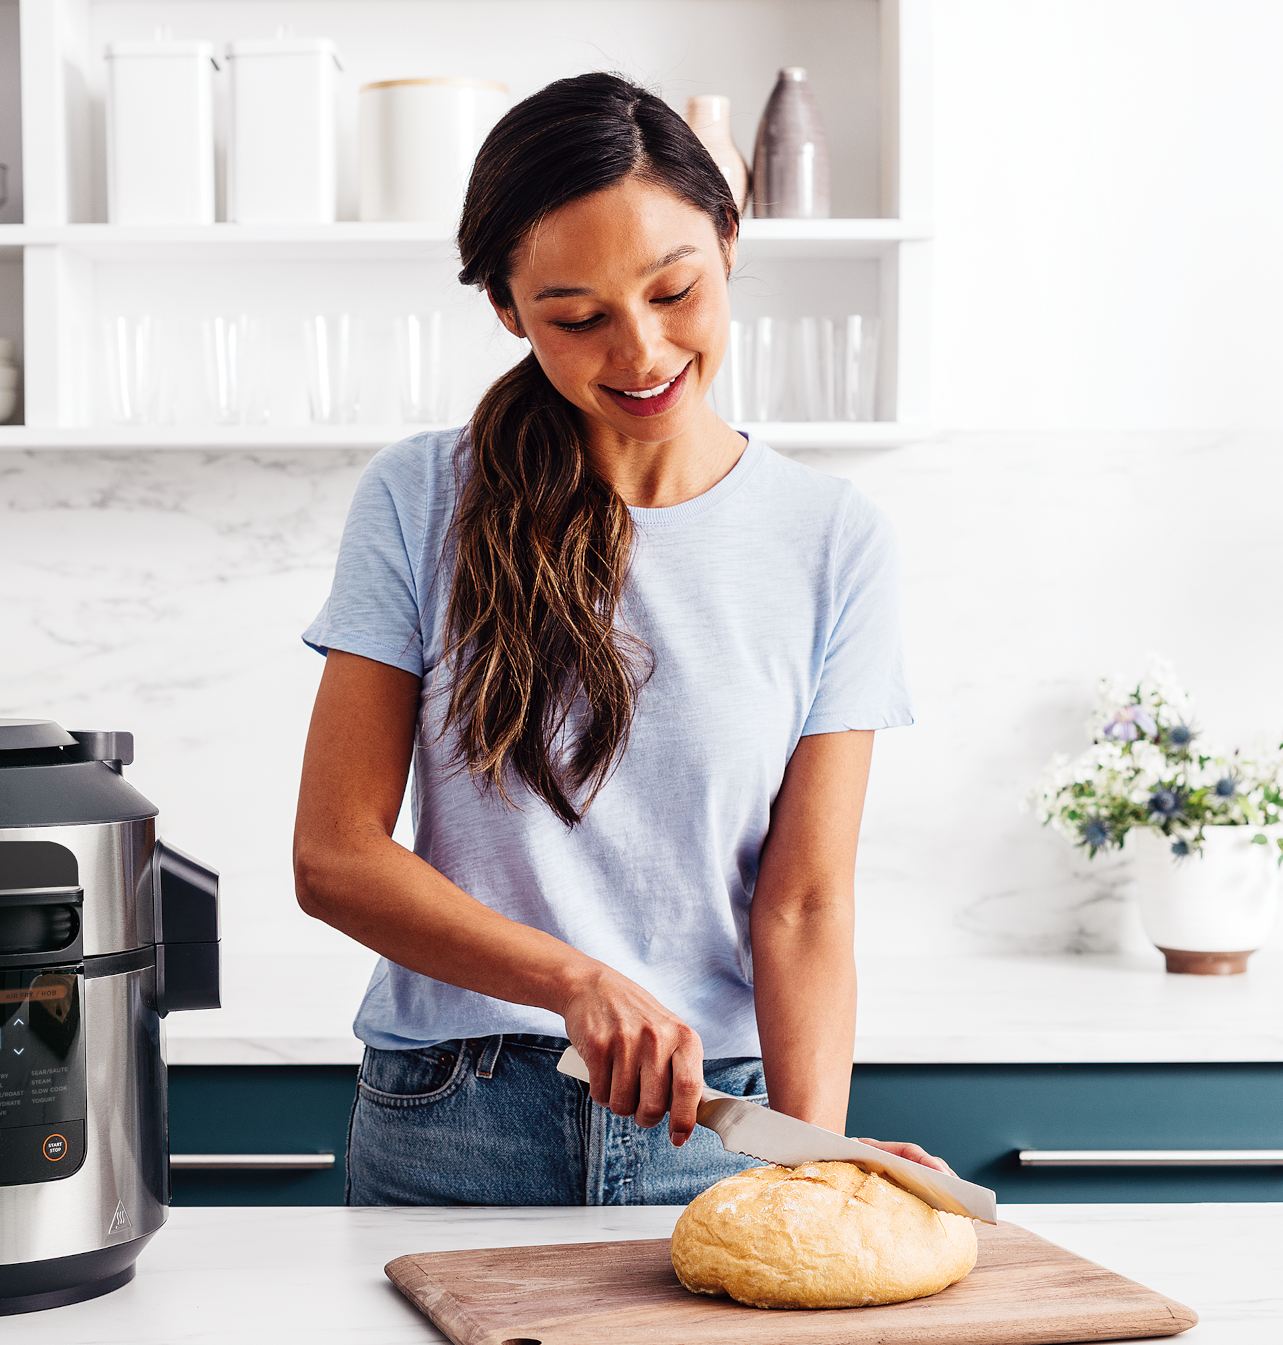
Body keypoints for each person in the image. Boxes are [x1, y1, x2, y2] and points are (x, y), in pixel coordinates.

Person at [294, 72, 946, 1206]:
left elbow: (803, 905)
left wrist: (815, 1160)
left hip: (716, 1128)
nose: (641, 353)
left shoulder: (832, 538)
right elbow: (336, 858)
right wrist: (574, 982)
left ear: (730, 241)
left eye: (674, 291)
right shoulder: (420, 499)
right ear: (508, 311)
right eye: (577, 318)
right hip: (457, 1120)